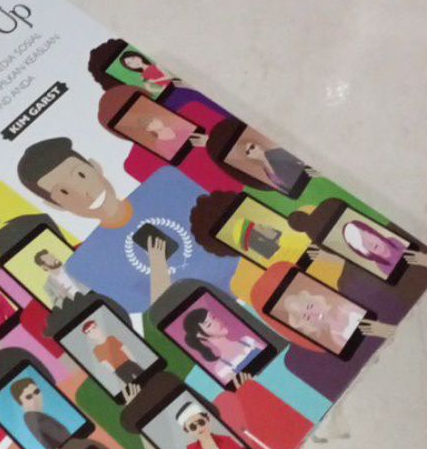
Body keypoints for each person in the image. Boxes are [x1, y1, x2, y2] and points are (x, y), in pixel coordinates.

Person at [16, 137, 238, 313]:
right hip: (209, 314)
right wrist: (158, 267)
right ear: (55, 205)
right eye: (64, 192)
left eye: (81, 175)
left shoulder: (166, 183)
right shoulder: (87, 265)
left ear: (95, 167)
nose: (84, 192)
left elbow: (227, 223)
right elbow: (160, 309)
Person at [182, 307, 264, 383]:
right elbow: (244, 388)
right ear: (200, 335)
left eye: (213, 317)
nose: (217, 322)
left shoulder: (247, 340)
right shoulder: (222, 368)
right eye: (209, 325)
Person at [281, 288, 365, 352]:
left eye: (309, 306)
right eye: (306, 316)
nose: (312, 313)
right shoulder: (335, 336)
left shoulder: (347, 308)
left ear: (316, 302)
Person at [176, 401, 243, 449]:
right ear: (188, 431)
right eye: (193, 427)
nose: (199, 428)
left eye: (201, 422)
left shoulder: (227, 440)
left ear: (207, 419)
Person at [10, 377, 71, 449]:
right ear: (20, 403)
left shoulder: (29, 418)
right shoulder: (39, 420)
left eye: (37, 391)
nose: (36, 398)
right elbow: (67, 440)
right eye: (29, 397)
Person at [239, 137, 308, 195]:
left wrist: (311, 176)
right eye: (247, 152)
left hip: (306, 181)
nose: (251, 151)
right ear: (249, 157)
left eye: (252, 147)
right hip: (298, 191)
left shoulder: (277, 152)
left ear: (258, 146)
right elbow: (281, 185)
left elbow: (301, 161)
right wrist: (293, 193)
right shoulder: (265, 170)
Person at [82, 319, 143, 384]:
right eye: (89, 332)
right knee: (132, 384)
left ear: (99, 328)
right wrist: (115, 371)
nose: (93, 332)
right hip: (119, 370)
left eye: (94, 327)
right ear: (89, 336)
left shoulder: (111, 339)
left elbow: (124, 349)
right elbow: (105, 363)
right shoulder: (96, 351)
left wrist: (134, 361)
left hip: (128, 362)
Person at [342, 220, 408, 276]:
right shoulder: (383, 266)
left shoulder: (392, 240)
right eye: (362, 243)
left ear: (373, 232)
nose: (369, 243)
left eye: (367, 235)